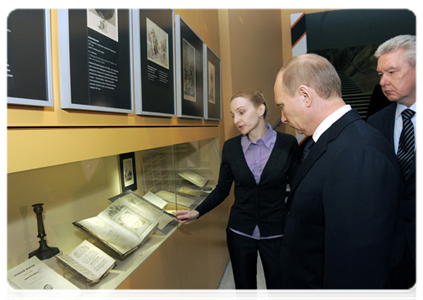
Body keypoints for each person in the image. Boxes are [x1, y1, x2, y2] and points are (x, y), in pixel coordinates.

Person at [274, 53, 402, 300]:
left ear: (305, 95)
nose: (283, 118)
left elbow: (357, 272)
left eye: (282, 105)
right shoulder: (337, 141)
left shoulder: (357, 153)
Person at [175, 89, 298, 300]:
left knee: (280, 291)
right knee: (244, 293)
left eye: (241, 112)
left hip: (276, 233)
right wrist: (197, 212)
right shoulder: (231, 148)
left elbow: (297, 189)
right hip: (240, 232)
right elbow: (223, 189)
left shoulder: (288, 144)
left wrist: (296, 227)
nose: (236, 120)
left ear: (261, 109)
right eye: (233, 115)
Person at [367, 34, 420, 300]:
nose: (383, 81)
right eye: (380, 73)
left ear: (419, 68)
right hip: (390, 251)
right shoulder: (375, 124)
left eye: (391, 72)